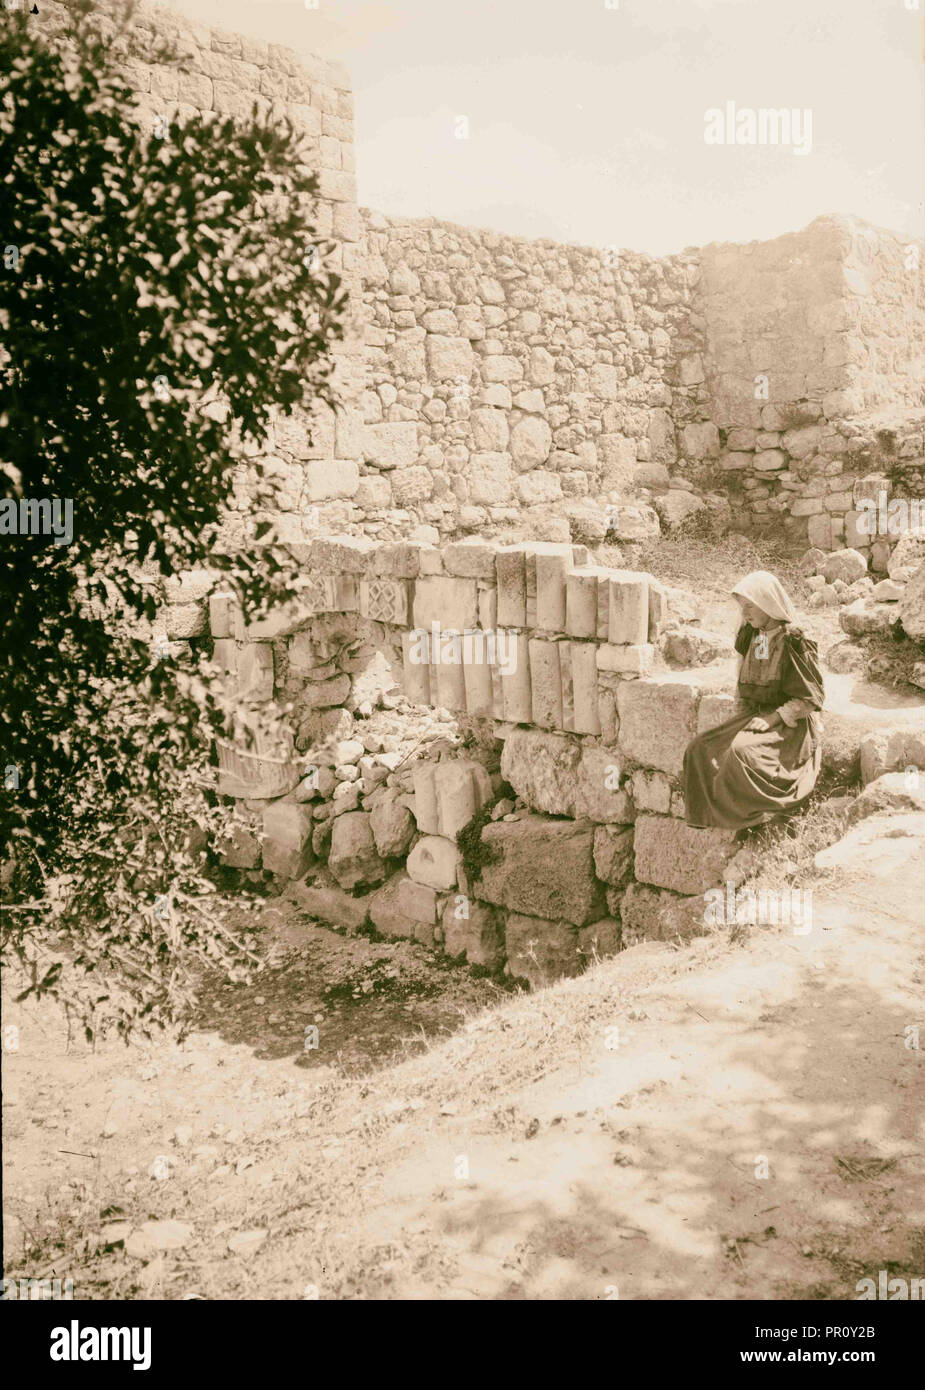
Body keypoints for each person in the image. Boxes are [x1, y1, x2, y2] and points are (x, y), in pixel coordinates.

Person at [683, 571, 825, 830]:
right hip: (754, 715)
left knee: (740, 752)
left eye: (750, 606)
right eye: (742, 607)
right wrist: (735, 722)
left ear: (768, 603)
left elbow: (809, 699)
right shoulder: (752, 635)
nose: (745, 613)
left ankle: (759, 819)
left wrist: (772, 719)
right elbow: (744, 685)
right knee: (700, 748)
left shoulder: (793, 641)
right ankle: (714, 818)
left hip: (789, 724)